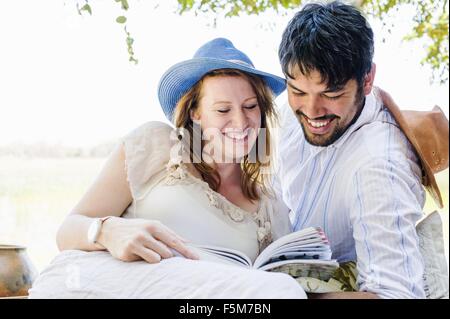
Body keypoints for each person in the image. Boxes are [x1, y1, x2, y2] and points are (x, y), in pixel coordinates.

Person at [28, 38, 307, 299]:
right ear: (195, 113)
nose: (241, 121)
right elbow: (66, 232)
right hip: (118, 286)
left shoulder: (269, 206)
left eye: (250, 106)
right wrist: (106, 231)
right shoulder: (156, 146)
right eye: (223, 110)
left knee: (282, 290)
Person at [275, 1, 447, 298]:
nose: (312, 111)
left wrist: (272, 295)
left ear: (367, 80)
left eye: (331, 94)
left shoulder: (380, 168)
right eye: (298, 91)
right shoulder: (293, 114)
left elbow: (395, 295)